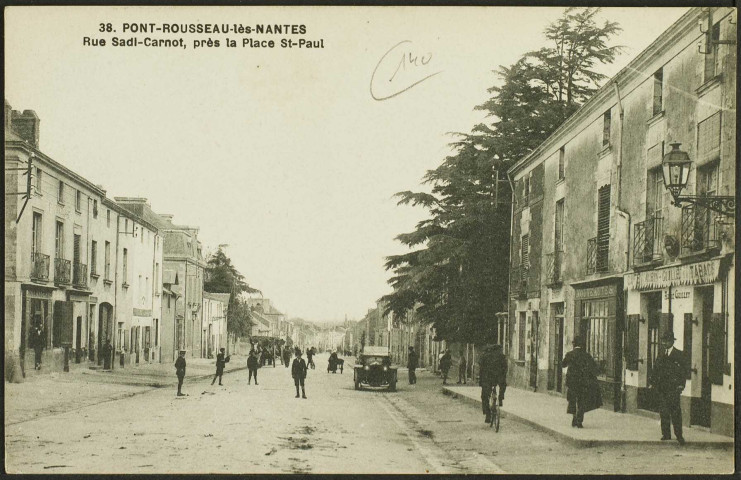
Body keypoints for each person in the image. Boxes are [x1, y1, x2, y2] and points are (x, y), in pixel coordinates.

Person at [650, 331, 688, 445]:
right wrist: (653, 382)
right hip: (662, 388)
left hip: (673, 389)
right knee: (664, 412)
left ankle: (679, 435)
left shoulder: (679, 354)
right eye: (663, 341)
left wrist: (681, 385)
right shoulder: (661, 355)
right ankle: (666, 433)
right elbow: (656, 370)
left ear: (672, 341)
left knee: (675, 412)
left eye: (666, 341)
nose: (664, 343)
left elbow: (683, 372)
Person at [562, 336, 602, 428]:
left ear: (574, 344)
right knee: (582, 401)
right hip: (583, 382)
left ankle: (574, 418)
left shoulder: (570, 354)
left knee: (572, 400)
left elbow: (563, 365)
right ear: (581, 345)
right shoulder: (586, 355)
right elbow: (594, 367)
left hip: (572, 382)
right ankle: (579, 421)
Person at [479, 344, 508, 423]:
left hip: (488, 378)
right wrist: (503, 376)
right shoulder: (502, 356)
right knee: (503, 385)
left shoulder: (485, 356)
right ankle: (501, 398)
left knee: (484, 396)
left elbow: (481, 369)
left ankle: (488, 414)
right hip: (498, 378)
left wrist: (480, 381)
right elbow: (505, 368)